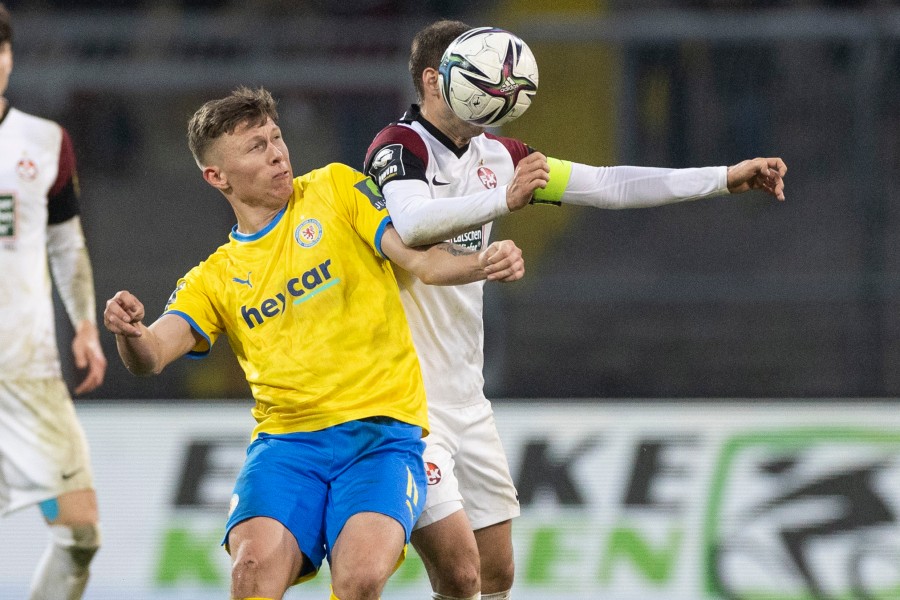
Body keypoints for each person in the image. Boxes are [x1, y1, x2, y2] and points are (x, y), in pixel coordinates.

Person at [363, 19, 788, 600]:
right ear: (435, 80)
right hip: (403, 398)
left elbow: (609, 184)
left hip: (466, 395)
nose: (500, 91)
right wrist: (501, 200)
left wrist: (723, 178)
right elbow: (410, 224)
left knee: (496, 574)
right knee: (459, 571)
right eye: (485, 78)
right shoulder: (398, 145)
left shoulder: (498, 154)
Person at [102, 86, 524, 600]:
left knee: (362, 579)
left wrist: (480, 263)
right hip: (287, 447)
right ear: (217, 176)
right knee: (251, 574)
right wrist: (132, 334)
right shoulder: (214, 277)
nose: (278, 152)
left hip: (381, 436)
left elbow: (420, 260)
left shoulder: (336, 190)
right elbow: (151, 356)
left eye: (276, 137)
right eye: (256, 147)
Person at [0, 3, 108, 599]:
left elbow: (66, 244)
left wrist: (85, 326)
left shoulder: (44, 141)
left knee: (80, 537)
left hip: (29, 375)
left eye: (3, 48)